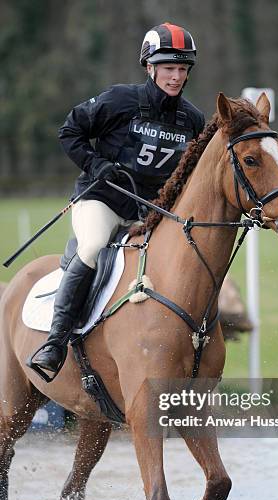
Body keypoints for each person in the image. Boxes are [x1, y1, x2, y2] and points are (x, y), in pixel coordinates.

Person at [28, 22, 205, 379]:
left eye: (182, 69)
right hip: (103, 201)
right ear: (149, 67)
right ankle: (55, 342)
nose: (175, 77)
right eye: (168, 68)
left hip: (152, 211)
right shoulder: (119, 100)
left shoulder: (193, 119)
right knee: (92, 247)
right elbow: (70, 132)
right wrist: (97, 164)